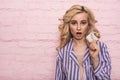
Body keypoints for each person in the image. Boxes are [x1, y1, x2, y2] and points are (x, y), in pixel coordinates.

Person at [55, 5, 111, 80]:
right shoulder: (63, 52)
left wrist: (95, 59)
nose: (78, 28)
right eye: (74, 23)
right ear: (69, 25)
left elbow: (106, 78)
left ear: (88, 25)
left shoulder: (101, 47)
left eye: (83, 23)